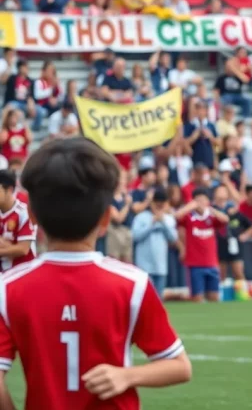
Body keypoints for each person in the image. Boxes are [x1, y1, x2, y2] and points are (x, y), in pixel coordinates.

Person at [0, 138, 191, 409]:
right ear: (105, 219)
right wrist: (127, 376)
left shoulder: (8, 289)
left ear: (31, 214)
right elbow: (180, 366)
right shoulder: (131, 283)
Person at [175, 188, 229, 302]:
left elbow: (225, 219)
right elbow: (176, 216)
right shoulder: (189, 217)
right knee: (197, 298)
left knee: (214, 297)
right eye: (198, 200)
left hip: (212, 263)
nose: (201, 203)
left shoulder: (211, 217)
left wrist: (211, 209)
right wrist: (190, 206)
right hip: (195, 264)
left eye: (203, 200)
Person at [130, 188, 180, 299]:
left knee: (158, 300)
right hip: (144, 266)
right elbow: (135, 236)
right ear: (152, 203)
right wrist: (151, 224)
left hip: (161, 266)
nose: (159, 206)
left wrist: (162, 222)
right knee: (145, 300)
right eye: (157, 203)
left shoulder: (168, 219)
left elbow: (173, 239)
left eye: (162, 204)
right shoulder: (141, 217)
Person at [0, 170, 35, 271]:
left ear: (9, 190)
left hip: (22, 272)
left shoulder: (24, 213)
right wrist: (11, 248)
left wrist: (9, 247)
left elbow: (23, 249)